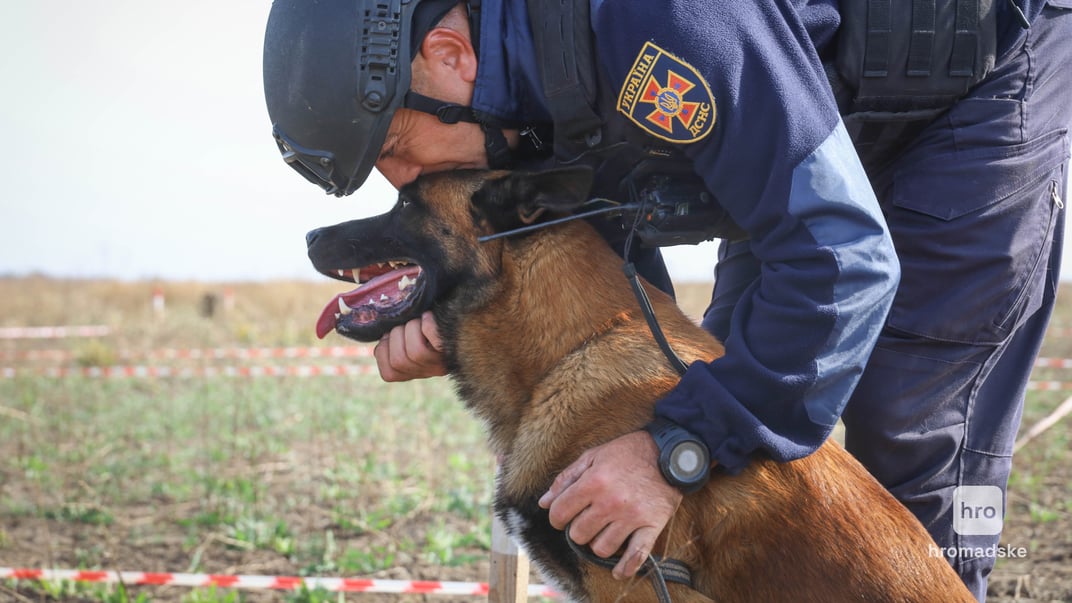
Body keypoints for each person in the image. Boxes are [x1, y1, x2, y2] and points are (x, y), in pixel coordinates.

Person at [263, 1, 1071, 599]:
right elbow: (616, 283)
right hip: (810, 108)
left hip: (976, 79)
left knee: (910, 425)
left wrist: (674, 449)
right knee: (737, 453)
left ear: (448, 54)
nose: (408, 183)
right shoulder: (522, 86)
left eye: (398, 149)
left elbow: (843, 260)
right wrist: (464, 321)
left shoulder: (656, 22)